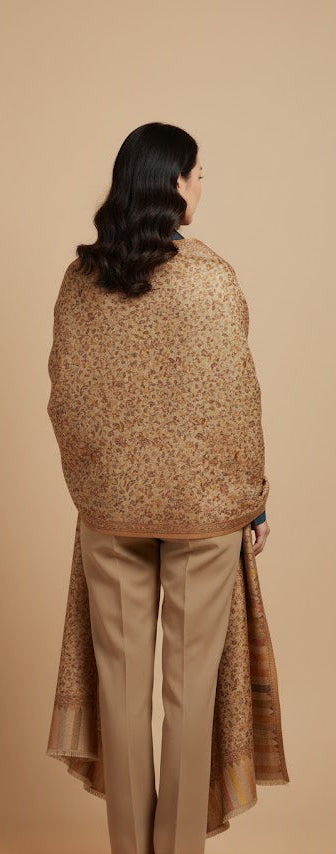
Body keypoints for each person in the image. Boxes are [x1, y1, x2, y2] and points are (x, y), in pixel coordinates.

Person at [47, 122, 270, 854]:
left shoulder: (82, 281)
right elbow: (236, 397)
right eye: (199, 175)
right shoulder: (210, 277)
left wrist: (96, 484)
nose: (202, 187)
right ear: (175, 183)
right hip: (204, 516)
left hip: (110, 511)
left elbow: (65, 395)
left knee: (120, 696)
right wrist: (252, 498)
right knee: (187, 694)